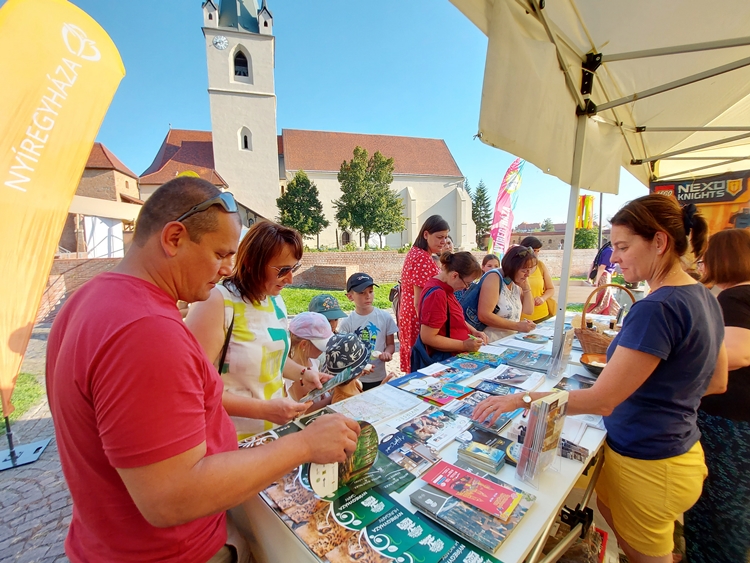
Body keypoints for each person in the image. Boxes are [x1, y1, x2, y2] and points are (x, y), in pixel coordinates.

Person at [45, 177, 360, 563]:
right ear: (174, 238)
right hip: (171, 551)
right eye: (220, 254)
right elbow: (171, 498)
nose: (228, 269)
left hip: (113, 541)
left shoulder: (88, 299)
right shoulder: (148, 332)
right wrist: (304, 444)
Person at [473, 196, 728, 563]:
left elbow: (602, 400)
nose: (616, 258)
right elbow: (717, 380)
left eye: (623, 247)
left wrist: (520, 400)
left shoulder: (657, 307)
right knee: (620, 520)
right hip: (679, 451)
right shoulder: (703, 295)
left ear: (659, 242)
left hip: (650, 462)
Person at [186, 220, 323, 439]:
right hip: (230, 440)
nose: (290, 279)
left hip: (273, 434)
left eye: (294, 268)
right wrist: (264, 410)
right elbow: (193, 387)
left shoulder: (275, 300)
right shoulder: (217, 302)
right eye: (283, 270)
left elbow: (272, 358)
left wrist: (303, 373)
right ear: (252, 263)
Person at [684, 228, 750, 563]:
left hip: (730, 424)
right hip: (734, 419)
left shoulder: (735, 299)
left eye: (707, 256)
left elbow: (736, 354)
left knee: (720, 511)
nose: (701, 261)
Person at [398, 215, 449, 372]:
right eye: (439, 237)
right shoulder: (422, 258)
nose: (443, 241)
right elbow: (418, 301)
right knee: (419, 361)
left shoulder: (418, 253)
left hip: (408, 313)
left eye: (446, 237)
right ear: (426, 234)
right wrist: (428, 328)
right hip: (416, 316)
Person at [416, 252, 488, 364]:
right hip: (445, 359)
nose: (466, 287)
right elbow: (428, 337)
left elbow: (454, 316)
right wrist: (463, 345)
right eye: (467, 283)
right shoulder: (438, 294)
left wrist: (473, 331)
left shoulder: (445, 287)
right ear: (454, 275)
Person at [339, 272, 397, 391]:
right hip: (355, 379)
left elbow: (390, 344)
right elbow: (344, 354)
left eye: (370, 291)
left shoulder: (385, 317)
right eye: (362, 293)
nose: (368, 296)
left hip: (379, 376)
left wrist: (387, 353)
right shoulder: (347, 323)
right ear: (350, 296)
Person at [474, 245, 537, 342]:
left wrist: (526, 288)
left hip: (508, 341)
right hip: (490, 341)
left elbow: (529, 311)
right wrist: (517, 326)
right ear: (512, 267)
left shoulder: (515, 281)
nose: (527, 274)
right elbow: (484, 315)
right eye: (524, 270)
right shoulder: (494, 278)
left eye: (530, 270)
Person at [285, 312, 333, 403]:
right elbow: (308, 410)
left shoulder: (312, 361)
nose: (322, 351)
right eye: (320, 347)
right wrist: (336, 397)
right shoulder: (297, 377)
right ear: (304, 345)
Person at [519, 236, 555, 322]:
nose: (536, 253)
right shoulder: (515, 267)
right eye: (534, 250)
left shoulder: (540, 266)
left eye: (538, 251)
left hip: (542, 315)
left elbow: (551, 288)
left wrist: (543, 298)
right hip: (521, 318)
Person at [587, 240, 620, 316]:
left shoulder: (603, 250)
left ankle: (617, 313)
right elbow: (602, 267)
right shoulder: (610, 251)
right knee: (603, 300)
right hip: (604, 276)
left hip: (599, 275)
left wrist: (589, 278)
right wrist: (596, 281)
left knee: (608, 297)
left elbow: (593, 264)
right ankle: (590, 315)